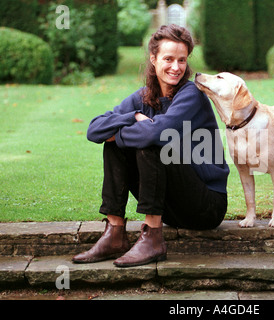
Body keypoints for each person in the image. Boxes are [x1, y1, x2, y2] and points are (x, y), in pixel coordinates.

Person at [72, 25, 229, 268]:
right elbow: (94, 130)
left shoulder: (192, 95)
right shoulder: (143, 97)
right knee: (115, 146)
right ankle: (114, 233)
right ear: (153, 59)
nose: (175, 67)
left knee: (152, 143)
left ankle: (153, 237)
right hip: (172, 205)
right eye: (168, 59)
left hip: (206, 204)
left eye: (182, 60)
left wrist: (120, 134)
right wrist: (133, 116)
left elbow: (156, 132)